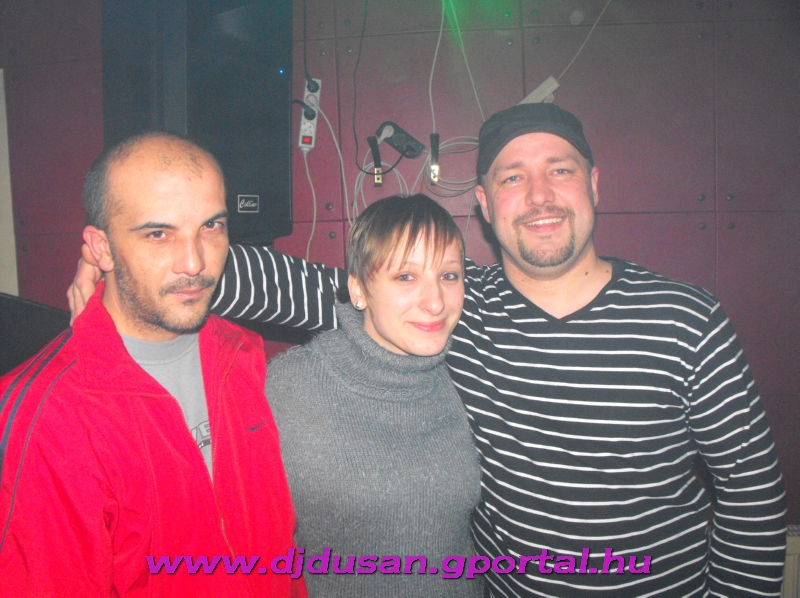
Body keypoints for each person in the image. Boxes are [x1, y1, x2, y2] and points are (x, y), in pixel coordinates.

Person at [71, 105, 787, 597]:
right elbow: (298, 286)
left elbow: (753, 503)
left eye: (561, 169)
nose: (539, 194)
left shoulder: (685, 319)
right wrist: (130, 265)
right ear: (485, 203)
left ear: (594, 184)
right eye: (512, 176)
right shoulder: (460, 309)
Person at [1, 132, 302, 597]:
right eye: (158, 234)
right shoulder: (45, 417)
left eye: (211, 226)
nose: (194, 262)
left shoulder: (243, 357)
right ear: (101, 249)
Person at [267, 194, 481, 597]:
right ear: (359, 289)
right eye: (406, 277)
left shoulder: (466, 378)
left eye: (449, 275)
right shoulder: (291, 387)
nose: (436, 302)